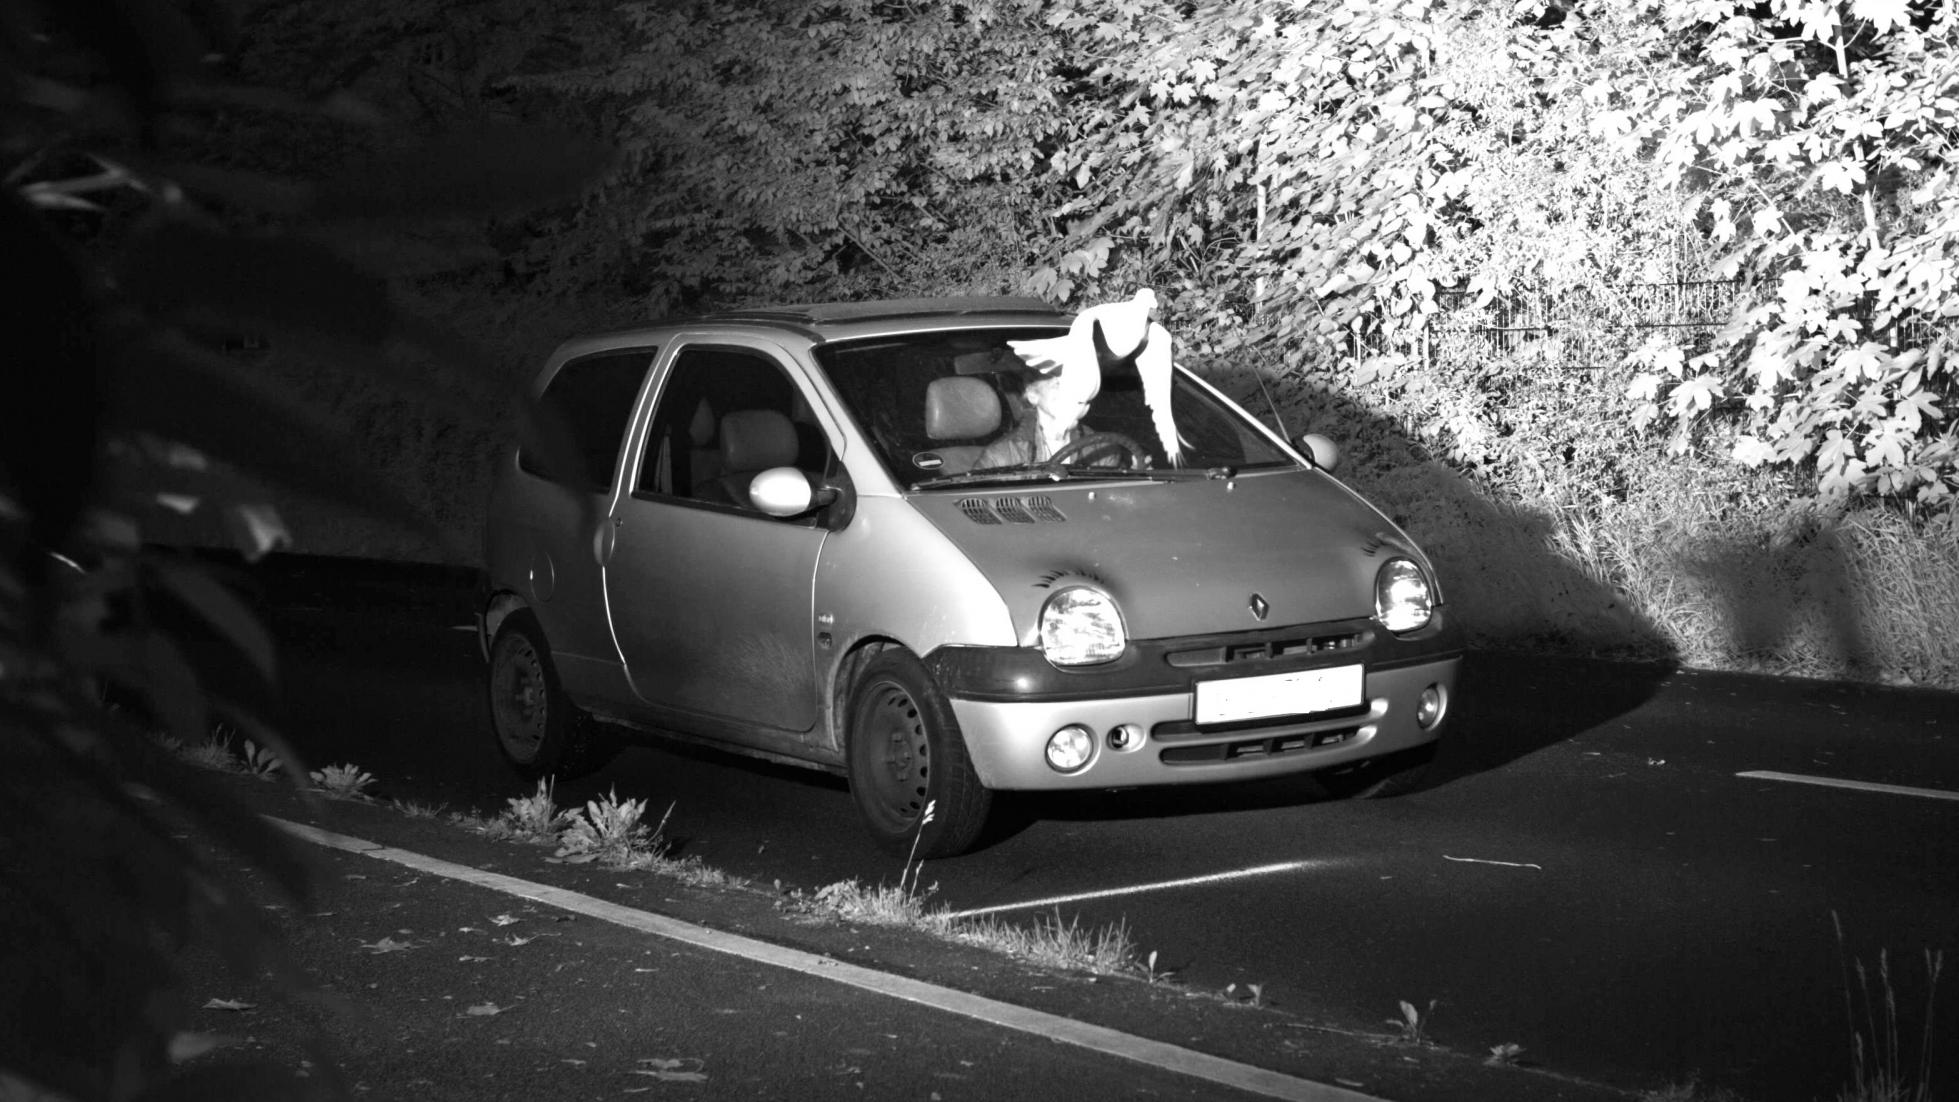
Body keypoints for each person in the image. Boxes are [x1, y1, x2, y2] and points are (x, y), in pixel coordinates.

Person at [975, 371, 1095, 468]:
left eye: (1074, 384)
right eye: (1057, 384)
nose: (1070, 392)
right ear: (1033, 395)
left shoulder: (1100, 446)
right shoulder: (999, 456)